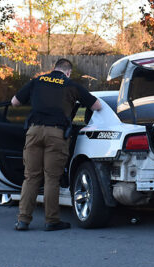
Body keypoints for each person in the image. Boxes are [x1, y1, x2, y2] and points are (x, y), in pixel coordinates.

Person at [11, 59, 102, 231]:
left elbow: (14, 102)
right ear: (68, 72)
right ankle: (51, 221)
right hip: (56, 134)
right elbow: (97, 106)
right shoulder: (71, 85)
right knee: (51, 178)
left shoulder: (37, 81)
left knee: (31, 177)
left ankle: (23, 220)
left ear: (54, 69)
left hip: (34, 132)